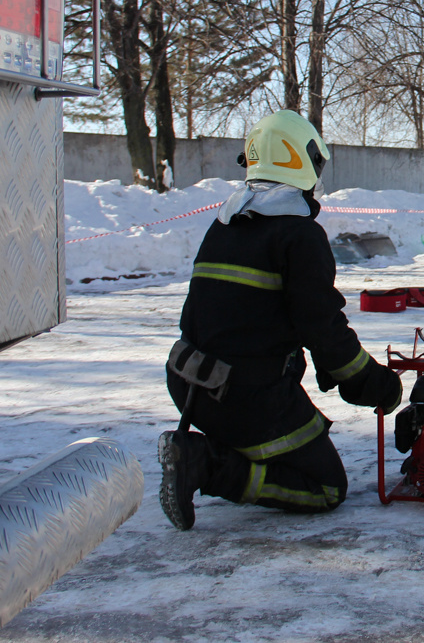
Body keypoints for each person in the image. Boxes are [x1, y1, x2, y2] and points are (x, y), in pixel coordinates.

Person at [158, 110, 403, 530]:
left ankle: (219, 448)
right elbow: (321, 327)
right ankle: (207, 465)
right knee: (324, 488)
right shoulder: (297, 234)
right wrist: (370, 381)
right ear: (299, 159)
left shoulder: (227, 223)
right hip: (246, 398)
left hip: (191, 387)